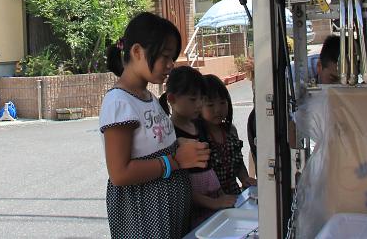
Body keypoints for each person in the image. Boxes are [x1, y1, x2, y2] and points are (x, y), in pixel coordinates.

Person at [100, 12, 210, 239]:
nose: (170, 65)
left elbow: (151, 145)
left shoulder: (146, 97)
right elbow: (119, 173)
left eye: (172, 57)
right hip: (144, 215)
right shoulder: (119, 102)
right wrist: (176, 161)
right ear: (137, 52)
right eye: (165, 56)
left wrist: (178, 143)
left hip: (166, 211)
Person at [160, 66, 236, 227]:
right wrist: (215, 203)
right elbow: (183, 186)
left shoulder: (199, 125)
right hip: (196, 208)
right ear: (172, 99)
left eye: (201, 98)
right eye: (193, 99)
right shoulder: (170, 133)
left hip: (214, 198)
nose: (199, 104)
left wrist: (220, 195)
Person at [201, 74, 256, 195]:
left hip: (234, 195)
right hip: (211, 201)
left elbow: (238, 163)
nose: (218, 109)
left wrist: (245, 179)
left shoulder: (231, 131)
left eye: (222, 102)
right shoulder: (198, 136)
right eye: (210, 105)